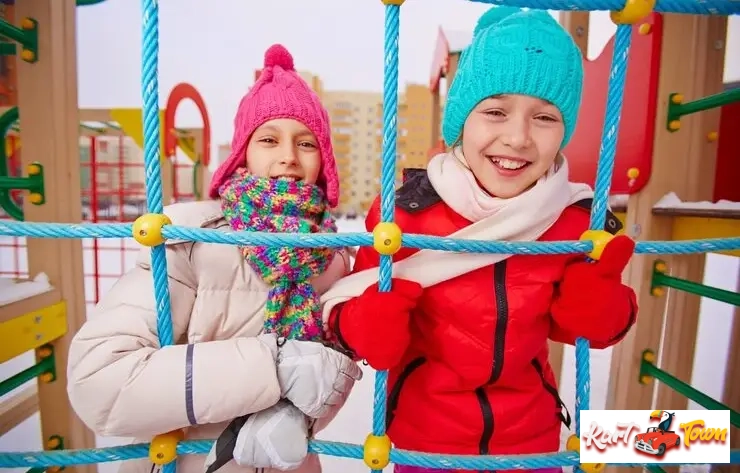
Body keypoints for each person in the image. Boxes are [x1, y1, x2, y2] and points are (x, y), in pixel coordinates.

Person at [319, 7, 638, 473]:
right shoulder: (406, 211)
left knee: (689, 441)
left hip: (532, 439)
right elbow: (346, 303)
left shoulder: (574, 222)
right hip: (423, 438)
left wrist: (606, 312)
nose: (518, 137)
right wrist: (362, 324)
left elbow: (588, 326)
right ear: (461, 120)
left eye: (544, 117)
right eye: (494, 111)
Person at [67, 44, 362, 473]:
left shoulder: (331, 258)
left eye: (306, 142)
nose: (288, 157)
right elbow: (100, 379)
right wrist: (273, 367)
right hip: (183, 462)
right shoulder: (190, 239)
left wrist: (299, 415)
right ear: (243, 152)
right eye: (268, 139)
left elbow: (326, 378)